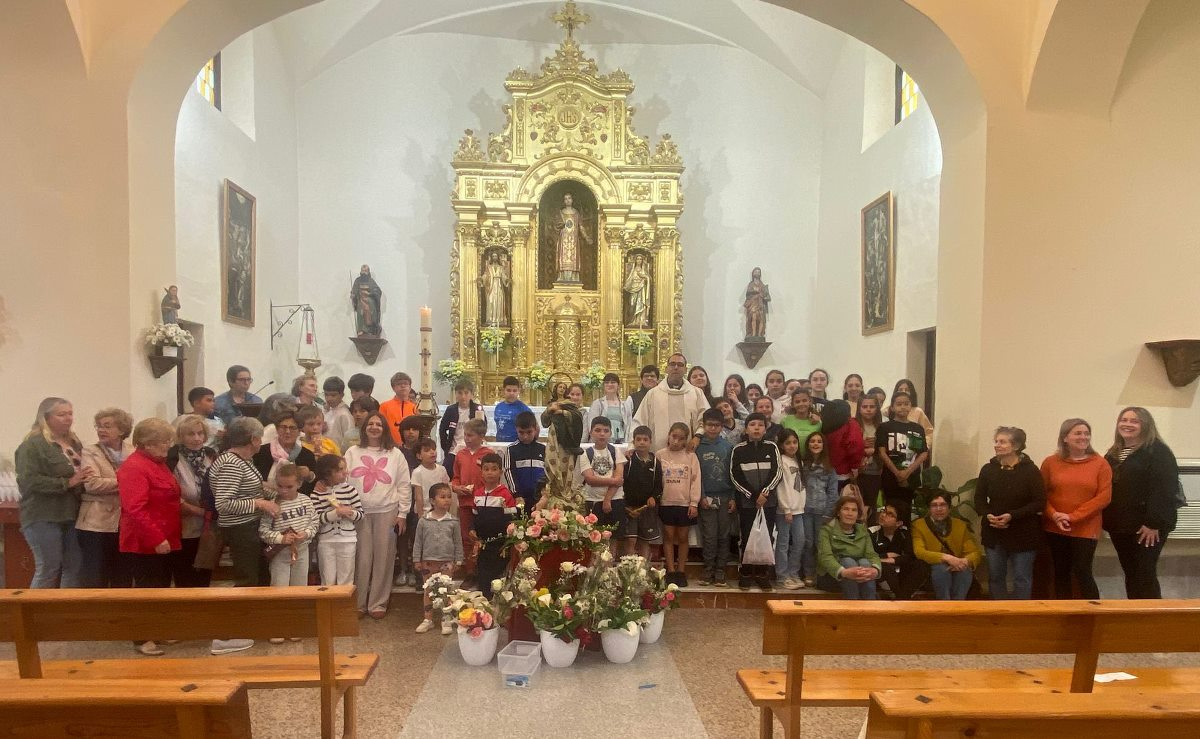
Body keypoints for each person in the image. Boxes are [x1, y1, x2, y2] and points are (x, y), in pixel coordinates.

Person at [209, 416, 275, 655]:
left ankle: (250, 625)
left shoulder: (243, 460)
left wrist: (272, 492)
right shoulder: (231, 463)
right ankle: (230, 634)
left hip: (250, 526)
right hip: (239, 528)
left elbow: (251, 488)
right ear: (254, 439)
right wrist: (259, 503)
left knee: (257, 577)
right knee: (246, 579)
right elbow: (224, 503)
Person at [117, 417, 182, 655]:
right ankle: (141, 636)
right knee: (146, 588)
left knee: (161, 587)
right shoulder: (134, 467)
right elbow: (135, 508)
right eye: (164, 441)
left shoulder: (157, 462)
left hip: (165, 535)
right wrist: (156, 538)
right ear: (147, 443)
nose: (168, 445)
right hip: (143, 540)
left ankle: (157, 629)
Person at [15, 397, 92, 588]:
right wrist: (68, 482)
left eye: (70, 413)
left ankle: (64, 612)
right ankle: (36, 613)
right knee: (49, 567)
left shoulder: (74, 442)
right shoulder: (32, 445)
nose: (68, 418)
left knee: (74, 566)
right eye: (61, 414)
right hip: (43, 514)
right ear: (46, 417)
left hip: (71, 513)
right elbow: (29, 481)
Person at [1103, 407, 1179, 599]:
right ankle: (1135, 616)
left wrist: (1153, 523)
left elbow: (1164, 490)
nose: (1127, 424)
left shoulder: (1158, 451)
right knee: (1131, 572)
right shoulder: (1113, 453)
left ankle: (1152, 621)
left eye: (1134, 421)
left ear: (1145, 425)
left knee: (1144, 574)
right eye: (1124, 419)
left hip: (1148, 526)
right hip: (1120, 525)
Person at [345, 411, 411, 618]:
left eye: (379, 424)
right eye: (370, 424)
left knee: (384, 558)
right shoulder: (352, 452)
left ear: (385, 429)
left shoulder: (394, 453)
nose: (374, 427)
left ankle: (378, 603)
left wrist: (403, 513)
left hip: (387, 510)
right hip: (359, 512)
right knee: (361, 558)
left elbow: (403, 484)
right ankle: (358, 602)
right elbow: (343, 480)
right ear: (364, 427)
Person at [1040, 418, 1111, 599]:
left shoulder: (1100, 463)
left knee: (1082, 571)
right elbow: (1041, 495)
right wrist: (1055, 515)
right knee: (1061, 572)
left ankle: (1093, 615)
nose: (1083, 437)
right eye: (1078, 433)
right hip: (1055, 526)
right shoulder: (1050, 462)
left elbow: (1104, 497)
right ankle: (1064, 615)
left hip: (1086, 528)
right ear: (1065, 437)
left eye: (1086, 433)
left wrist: (1073, 517)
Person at [976, 426, 1045, 599]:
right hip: (994, 531)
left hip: (1023, 532)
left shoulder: (1030, 470)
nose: (997, 445)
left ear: (1016, 446)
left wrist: (1012, 516)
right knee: (996, 577)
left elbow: (1039, 502)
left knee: (1022, 578)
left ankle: (1020, 618)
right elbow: (979, 499)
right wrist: (987, 514)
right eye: (996, 441)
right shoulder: (988, 469)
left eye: (1003, 442)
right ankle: (998, 616)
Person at [77, 407, 135, 588]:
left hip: (124, 522)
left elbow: (141, 482)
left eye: (107, 426)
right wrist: (125, 482)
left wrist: (114, 483)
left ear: (122, 430)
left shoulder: (133, 451)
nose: (101, 430)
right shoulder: (90, 451)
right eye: (99, 426)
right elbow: (92, 484)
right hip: (96, 522)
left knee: (123, 575)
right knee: (96, 576)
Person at [258, 463, 318, 631]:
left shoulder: (306, 500)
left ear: (299, 484)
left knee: (299, 589)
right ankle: (278, 627)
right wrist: (280, 538)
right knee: (279, 589)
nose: (284, 490)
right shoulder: (273, 503)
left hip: (302, 551)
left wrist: (305, 533)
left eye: (289, 486)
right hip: (280, 554)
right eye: (280, 486)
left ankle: (296, 626)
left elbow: (314, 522)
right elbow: (263, 531)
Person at [730, 413, 781, 591]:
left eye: (760, 424)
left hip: (768, 502)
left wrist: (765, 493)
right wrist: (752, 495)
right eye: (752, 424)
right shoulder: (738, 450)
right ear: (746, 429)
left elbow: (777, 472)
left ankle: (762, 573)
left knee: (766, 536)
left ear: (765, 429)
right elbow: (735, 476)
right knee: (746, 536)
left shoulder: (772, 447)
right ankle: (745, 572)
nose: (757, 428)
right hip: (747, 503)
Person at [166, 414, 216, 588]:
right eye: (191, 434)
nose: (197, 438)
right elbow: (170, 495)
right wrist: (198, 511)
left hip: (208, 526)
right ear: (181, 436)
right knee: (185, 577)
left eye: (200, 433)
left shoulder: (211, 455)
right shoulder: (172, 458)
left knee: (204, 575)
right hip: (184, 526)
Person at [413, 483, 463, 635]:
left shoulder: (453, 521)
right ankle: (428, 619)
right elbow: (418, 541)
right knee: (428, 591)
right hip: (428, 561)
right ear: (432, 501)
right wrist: (416, 559)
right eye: (442, 497)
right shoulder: (424, 521)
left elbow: (457, 542)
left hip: (446, 562)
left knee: (446, 591)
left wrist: (459, 560)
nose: (447, 500)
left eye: (449, 497)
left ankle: (446, 619)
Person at [656, 422, 701, 587]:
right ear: (668, 435)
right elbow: (655, 480)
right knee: (668, 536)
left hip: (685, 503)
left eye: (681, 439)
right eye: (674, 436)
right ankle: (671, 570)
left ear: (685, 441)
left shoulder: (690, 456)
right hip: (666, 502)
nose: (676, 441)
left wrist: (694, 502)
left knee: (683, 537)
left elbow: (696, 480)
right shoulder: (660, 455)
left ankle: (681, 571)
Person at [912, 492, 981, 600]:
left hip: (957, 567)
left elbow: (974, 552)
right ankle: (944, 605)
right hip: (932, 570)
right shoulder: (918, 525)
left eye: (943, 505)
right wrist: (947, 558)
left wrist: (964, 561)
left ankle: (957, 607)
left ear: (949, 507)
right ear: (929, 508)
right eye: (934, 505)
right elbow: (919, 552)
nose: (939, 509)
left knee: (964, 570)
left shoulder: (960, 525)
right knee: (942, 569)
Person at [634, 353, 709, 450]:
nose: (676, 367)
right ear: (666, 368)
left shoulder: (696, 393)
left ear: (686, 370)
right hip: (658, 451)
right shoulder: (653, 394)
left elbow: (705, 419)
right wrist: (633, 445)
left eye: (680, 365)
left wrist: (698, 436)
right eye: (672, 364)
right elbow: (640, 421)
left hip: (688, 451)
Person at [875, 392, 929, 523]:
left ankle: (905, 540)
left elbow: (923, 453)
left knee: (906, 512)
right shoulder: (885, 427)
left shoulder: (917, 428)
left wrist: (907, 472)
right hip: (890, 477)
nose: (903, 407)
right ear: (892, 407)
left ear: (911, 406)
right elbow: (882, 452)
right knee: (890, 511)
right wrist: (897, 473)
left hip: (911, 477)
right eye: (899, 404)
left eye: (906, 404)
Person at [696, 409, 735, 587]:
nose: (713, 428)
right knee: (709, 535)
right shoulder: (697, 448)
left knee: (723, 535)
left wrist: (733, 497)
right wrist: (701, 496)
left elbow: (733, 474)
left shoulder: (728, 447)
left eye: (717, 425)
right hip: (706, 497)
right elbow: (696, 475)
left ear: (722, 426)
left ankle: (721, 569)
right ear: (703, 425)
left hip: (726, 496)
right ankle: (708, 568)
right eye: (709, 425)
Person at [311, 454, 363, 587]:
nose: (345, 472)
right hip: (326, 540)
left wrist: (349, 512)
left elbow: (361, 515)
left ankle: (344, 607)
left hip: (348, 539)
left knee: (346, 578)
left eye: (344, 468)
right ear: (327, 473)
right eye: (339, 470)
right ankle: (328, 606)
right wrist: (336, 513)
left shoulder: (350, 490)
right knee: (327, 579)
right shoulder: (317, 493)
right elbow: (316, 519)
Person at [470, 454, 517, 599]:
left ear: (501, 472)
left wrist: (508, 541)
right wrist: (472, 529)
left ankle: (499, 612)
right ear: (481, 472)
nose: (490, 472)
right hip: (483, 546)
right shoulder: (477, 494)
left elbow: (512, 520)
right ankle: (485, 611)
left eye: (494, 469)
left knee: (498, 581)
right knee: (483, 579)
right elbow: (475, 516)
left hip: (500, 546)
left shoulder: (505, 495)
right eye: (486, 469)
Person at [816, 495, 880, 600]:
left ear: (858, 514)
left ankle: (870, 608)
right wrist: (844, 572)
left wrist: (875, 570)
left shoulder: (863, 530)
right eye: (846, 509)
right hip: (832, 576)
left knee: (865, 563)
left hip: (859, 574)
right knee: (848, 562)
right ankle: (854, 608)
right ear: (838, 513)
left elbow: (872, 555)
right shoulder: (826, 530)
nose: (850, 513)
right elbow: (825, 557)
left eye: (854, 510)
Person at [451, 417, 491, 580]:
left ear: (481, 436)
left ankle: (483, 571)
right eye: (465, 435)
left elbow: (492, 477)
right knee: (466, 537)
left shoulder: (488, 454)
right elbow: (455, 477)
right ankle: (469, 571)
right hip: (465, 503)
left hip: (483, 504)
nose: (467, 438)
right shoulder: (460, 454)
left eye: (471, 435)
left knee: (481, 536)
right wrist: (456, 487)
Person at [580, 416, 626, 551]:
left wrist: (607, 500)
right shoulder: (585, 453)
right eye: (598, 430)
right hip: (593, 501)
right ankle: (595, 570)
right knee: (593, 538)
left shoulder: (615, 451)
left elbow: (619, 477)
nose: (602, 434)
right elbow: (590, 479)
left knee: (613, 538)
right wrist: (612, 480)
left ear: (610, 433)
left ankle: (608, 568)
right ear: (591, 432)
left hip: (615, 500)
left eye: (606, 431)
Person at [800, 431, 839, 586]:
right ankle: (808, 573)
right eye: (812, 441)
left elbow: (832, 492)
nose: (815, 444)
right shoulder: (803, 466)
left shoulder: (829, 468)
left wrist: (829, 513)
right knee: (808, 543)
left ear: (824, 446)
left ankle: (821, 574)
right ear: (808, 445)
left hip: (823, 511)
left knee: (821, 543)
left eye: (819, 441)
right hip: (805, 510)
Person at [773, 428, 806, 590]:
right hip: (786, 510)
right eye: (788, 443)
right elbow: (782, 487)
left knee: (800, 541)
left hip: (799, 509)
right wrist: (786, 508)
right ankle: (782, 575)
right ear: (782, 445)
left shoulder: (799, 461)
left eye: (794, 442)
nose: (792, 446)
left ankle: (793, 572)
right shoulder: (781, 461)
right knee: (783, 543)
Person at [252, 411, 317, 492]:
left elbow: (315, 485)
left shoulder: (307, 455)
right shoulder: (260, 452)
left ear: (299, 431)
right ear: (276, 429)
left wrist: (309, 475)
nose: (287, 431)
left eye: (292, 428)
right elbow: (250, 480)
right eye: (283, 427)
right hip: (264, 498)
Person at [871, 504, 923, 600]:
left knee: (920, 564)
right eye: (884, 511)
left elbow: (909, 556)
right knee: (884, 568)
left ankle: (901, 597)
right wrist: (886, 556)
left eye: (890, 514)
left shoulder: (904, 533)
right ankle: (901, 597)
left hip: (900, 571)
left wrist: (891, 560)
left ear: (898, 523)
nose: (883, 515)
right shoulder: (872, 532)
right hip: (882, 574)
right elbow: (869, 556)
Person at [439, 379, 487, 476]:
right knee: (446, 470)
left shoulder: (477, 409)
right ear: (455, 394)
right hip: (454, 449)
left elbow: (483, 427)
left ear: (471, 394)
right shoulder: (451, 410)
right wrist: (446, 448)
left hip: (473, 448)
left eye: (466, 393)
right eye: (460, 393)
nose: (463, 396)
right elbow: (442, 429)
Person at [504, 411, 546, 512]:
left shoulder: (543, 449)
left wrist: (544, 494)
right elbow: (509, 472)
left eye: (529, 432)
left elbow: (547, 473)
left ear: (535, 429)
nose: (525, 436)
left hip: (539, 499)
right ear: (516, 430)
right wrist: (516, 494)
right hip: (520, 498)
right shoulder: (511, 449)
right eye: (521, 432)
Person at [822, 399, 865, 491]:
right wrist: (855, 467)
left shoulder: (824, 426)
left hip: (825, 471)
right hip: (844, 473)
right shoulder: (851, 424)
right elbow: (855, 445)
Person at [855, 396, 885, 519]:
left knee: (871, 506)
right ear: (859, 408)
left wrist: (875, 448)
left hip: (875, 471)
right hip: (857, 472)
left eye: (872, 407)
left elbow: (886, 448)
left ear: (877, 409)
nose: (868, 410)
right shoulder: (854, 425)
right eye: (864, 407)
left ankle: (871, 533)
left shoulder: (882, 426)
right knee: (857, 506)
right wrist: (863, 446)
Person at [585, 373, 634, 444]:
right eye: (607, 382)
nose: (610, 384)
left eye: (613, 382)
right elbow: (591, 423)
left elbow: (629, 424)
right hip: (601, 440)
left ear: (618, 386)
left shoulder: (625, 404)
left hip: (621, 440)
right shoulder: (598, 403)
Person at [380, 372, 417, 443]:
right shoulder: (384, 406)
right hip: (390, 445)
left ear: (410, 387)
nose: (403, 386)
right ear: (393, 388)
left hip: (411, 446)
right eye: (399, 384)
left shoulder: (415, 407)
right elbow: (382, 427)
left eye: (406, 383)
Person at [494, 376, 532, 443]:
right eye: (508, 390)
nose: (512, 393)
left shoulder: (524, 409)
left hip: (516, 446)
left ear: (518, 391)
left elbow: (534, 428)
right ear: (503, 390)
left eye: (514, 391)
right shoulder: (498, 407)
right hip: (500, 443)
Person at [323, 377, 355, 450]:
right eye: (326, 395)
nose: (329, 398)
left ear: (342, 395)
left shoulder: (345, 414)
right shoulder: (326, 411)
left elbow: (349, 440)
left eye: (333, 395)